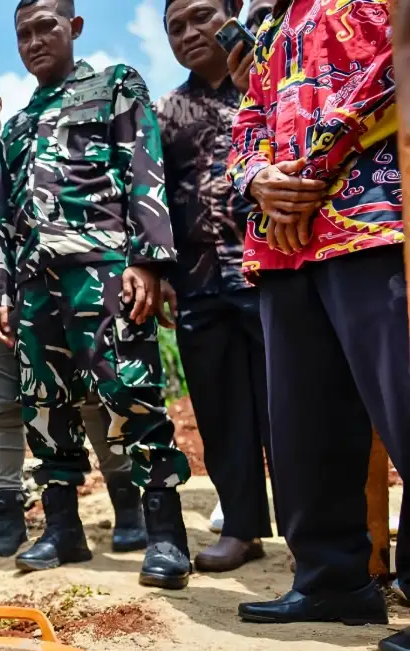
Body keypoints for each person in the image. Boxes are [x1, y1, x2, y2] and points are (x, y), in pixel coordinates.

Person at [0, 0, 193, 589]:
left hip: (104, 267)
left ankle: (166, 537)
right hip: (33, 284)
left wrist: (148, 262)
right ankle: (63, 530)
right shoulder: (18, 125)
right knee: (44, 404)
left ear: (74, 28)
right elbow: (2, 215)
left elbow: (144, 167)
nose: (34, 40)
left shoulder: (115, 86)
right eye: (23, 33)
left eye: (46, 26)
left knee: (131, 392)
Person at [230, 0, 407, 651]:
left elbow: (394, 66)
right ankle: (332, 582)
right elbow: (248, 119)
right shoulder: (272, 26)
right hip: (284, 246)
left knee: (402, 401)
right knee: (304, 424)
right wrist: (260, 180)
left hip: (373, 224)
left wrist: (310, 165)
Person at [0, 69, 148, 558]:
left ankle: (128, 505)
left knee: (92, 397)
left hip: (60, 297)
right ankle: (11, 519)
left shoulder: (36, 148)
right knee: (6, 408)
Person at [157, 0, 277, 572]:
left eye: (201, 16)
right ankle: (244, 528)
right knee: (221, 410)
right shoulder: (167, 111)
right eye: (175, 26)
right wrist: (157, 270)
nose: (188, 32)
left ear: (232, 13)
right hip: (198, 283)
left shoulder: (272, 75)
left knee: (292, 407)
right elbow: (151, 200)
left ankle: (314, 532)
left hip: (274, 270)